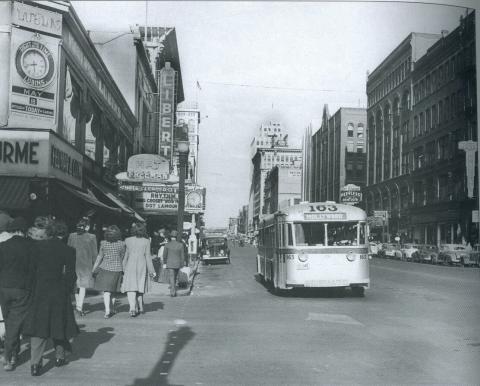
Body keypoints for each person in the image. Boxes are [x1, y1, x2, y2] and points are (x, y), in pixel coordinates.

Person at [23, 217, 78, 376]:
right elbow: (71, 275)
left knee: (39, 328)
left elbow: (30, 272)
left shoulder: (36, 248)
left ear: (47, 233)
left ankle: (35, 364)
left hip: (40, 291)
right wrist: (66, 290)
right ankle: (60, 357)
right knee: (58, 323)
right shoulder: (68, 250)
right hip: (59, 291)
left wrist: (30, 289)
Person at [0, 217, 32, 371]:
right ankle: (8, 356)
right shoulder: (31, 246)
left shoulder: (3, 246)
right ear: (24, 231)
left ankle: (14, 352)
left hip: (3, 288)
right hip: (22, 288)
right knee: (15, 322)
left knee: (9, 321)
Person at [121, 222, 156, 317]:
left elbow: (126, 255)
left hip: (130, 265)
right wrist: (152, 271)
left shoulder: (127, 240)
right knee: (140, 286)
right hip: (142, 265)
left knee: (130, 287)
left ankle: (132, 307)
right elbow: (148, 256)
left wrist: (123, 267)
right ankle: (140, 306)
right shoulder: (146, 241)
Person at [92, 226, 126, 319]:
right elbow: (122, 256)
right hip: (117, 269)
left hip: (105, 268)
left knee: (106, 291)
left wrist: (94, 268)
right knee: (113, 290)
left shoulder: (103, 243)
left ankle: (107, 310)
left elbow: (100, 256)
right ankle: (112, 308)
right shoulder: (122, 244)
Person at [68, 218, 97, 316]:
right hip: (86, 265)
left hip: (73, 264)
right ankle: (79, 307)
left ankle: (77, 306)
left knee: (76, 285)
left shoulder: (71, 236)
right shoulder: (92, 237)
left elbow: (68, 249)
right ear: (87, 227)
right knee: (83, 286)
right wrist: (95, 266)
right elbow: (94, 253)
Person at [163, 230, 187, 297]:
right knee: (175, 277)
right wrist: (182, 264)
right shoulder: (180, 245)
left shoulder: (167, 245)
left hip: (169, 263)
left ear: (171, 237)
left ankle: (172, 292)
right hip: (177, 263)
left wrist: (164, 262)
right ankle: (173, 290)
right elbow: (182, 256)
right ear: (176, 237)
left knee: (171, 276)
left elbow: (164, 255)